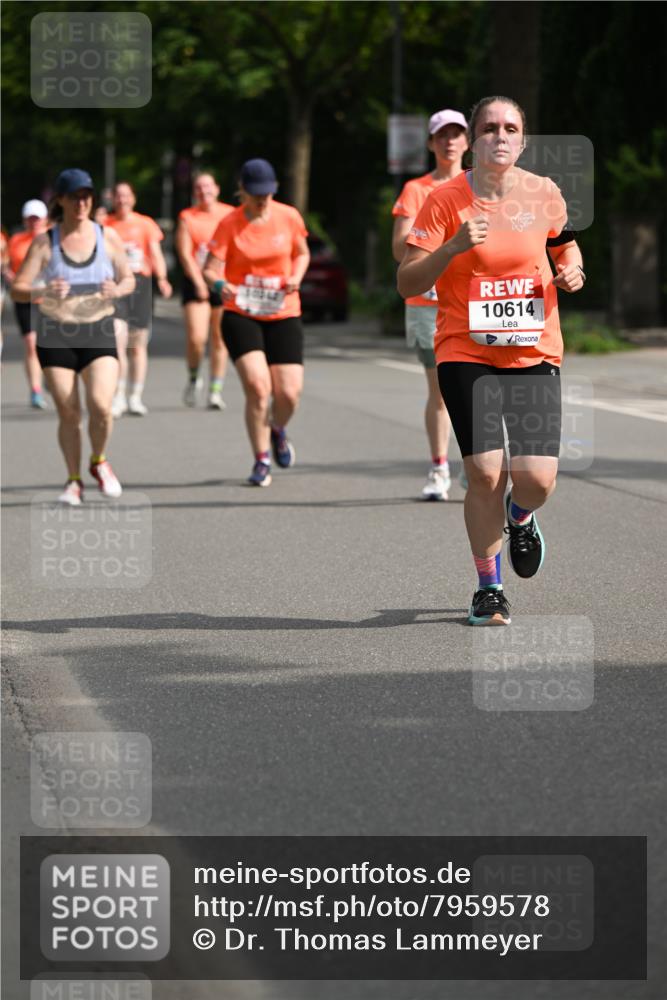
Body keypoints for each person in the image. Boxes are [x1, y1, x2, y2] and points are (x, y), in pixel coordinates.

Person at [398, 96, 585, 625]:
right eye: (488, 128)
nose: (499, 136)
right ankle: (488, 586)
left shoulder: (544, 192)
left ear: (522, 140)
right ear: (474, 140)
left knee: (538, 480)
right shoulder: (443, 200)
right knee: (483, 471)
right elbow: (408, 281)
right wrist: (451, 247)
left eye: (510, 128)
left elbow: (565, 248)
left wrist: (573, 272)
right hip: (465, 347)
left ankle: (520, 517)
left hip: (533, 349)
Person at [12, 168, 135, 505]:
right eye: (75, 196)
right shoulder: (45, 242)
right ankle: (73, 480)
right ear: (61, 200)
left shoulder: (107, 237)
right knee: (69, 411)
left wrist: (116, 288)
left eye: (87, 196)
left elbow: (129, 279)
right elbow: (19, 289)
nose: (82, 202)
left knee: (101, 405)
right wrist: (42, 288)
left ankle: (99, 460)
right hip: (56, 333)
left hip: (97, 328)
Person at [203, 158, 310, 486]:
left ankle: (277, 429)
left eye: (267, 193)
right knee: (258, 387)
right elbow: (209, 269)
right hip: (241, 312)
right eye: (255, 194)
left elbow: (302, 253)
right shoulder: (230, 224)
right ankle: (261, 459)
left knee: (289, 392)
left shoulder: (288, 216)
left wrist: (295, 275)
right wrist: (221, 285)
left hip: (283, 311)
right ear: (242, 191)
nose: (262, 200)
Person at [392, 109, 469, 500]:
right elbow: (398, 248)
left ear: (468, 142)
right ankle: (439, 467)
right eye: (442, 135)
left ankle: (477, 460)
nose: (449, 141)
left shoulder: (483, 187)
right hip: (429, 301)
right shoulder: (416, 190)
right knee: (440, 390)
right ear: (431, 143)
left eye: (457, 134)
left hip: (477, 301)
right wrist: (438, 251)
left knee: (482, 387)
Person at [106, 181, 172, 416]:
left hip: (141, 285)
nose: (122, 200)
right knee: (118, 341)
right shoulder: (105, 225)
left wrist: (162, 279)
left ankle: (135, 396)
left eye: (126, 195)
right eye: (118, 196)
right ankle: (118, 396)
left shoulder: (145, 224)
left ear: (133, 198)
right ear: (112, 199)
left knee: (138, 346)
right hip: (115, 287)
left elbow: (155, 253)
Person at [175, 173, 233, 409]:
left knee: (220, 338)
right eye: (199, 187)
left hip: (223, 281)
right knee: (197, 338)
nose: (204, 191)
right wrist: (199, 282)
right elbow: (185, 253)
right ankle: (193, 377)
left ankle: (215, 390)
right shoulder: (187, 216)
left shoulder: (230, 214)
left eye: (208, 186)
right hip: (197, 280)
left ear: (217, 189)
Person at [7, 200, 50, 408]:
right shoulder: (16, 241)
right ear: (25, 220)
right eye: (30, 218)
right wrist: (11, 277)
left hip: (50, 299)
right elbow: (6, 265)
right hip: (25, 299)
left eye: (38, 218)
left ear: (45, 219)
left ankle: (52, 375)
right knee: (32, 345)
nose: (34, 222)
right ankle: (35, 389)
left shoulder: (54, 239)